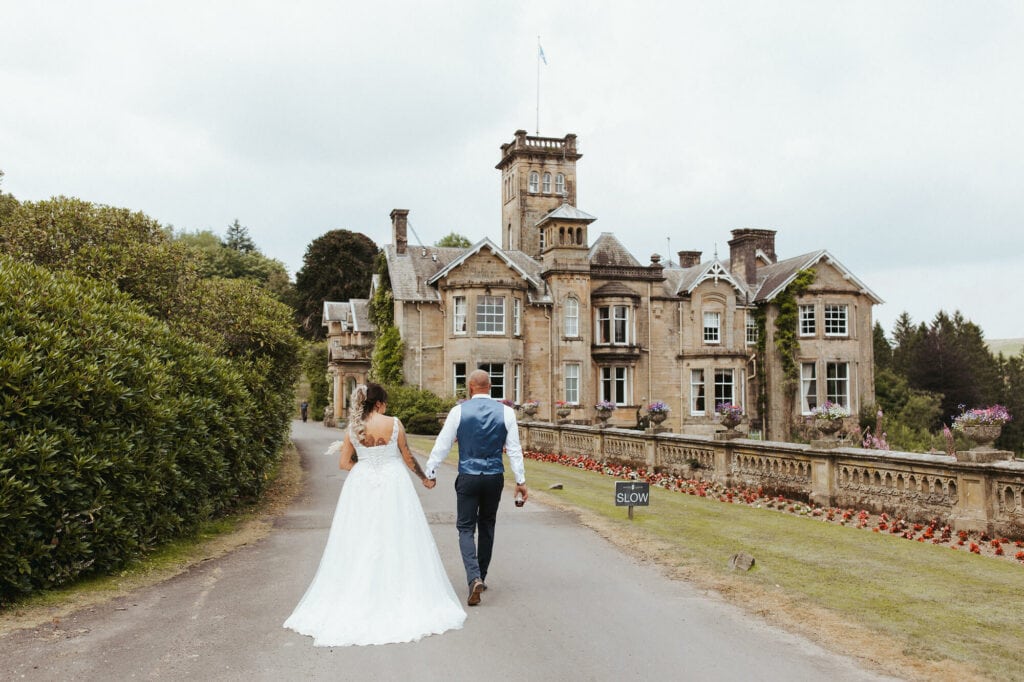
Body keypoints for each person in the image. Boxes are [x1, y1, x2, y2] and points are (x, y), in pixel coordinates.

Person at [283, 383, 466, 646]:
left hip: (361, 484)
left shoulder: (353, 428)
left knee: (359, 535)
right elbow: (407, 457)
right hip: (394, 483)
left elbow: (344, 463)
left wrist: (366, 464)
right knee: (398, 533)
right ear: (379, 403)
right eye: (386, 402)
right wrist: (425, 479)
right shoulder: (394, 424)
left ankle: (355, 588)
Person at [425, 369, 528, 606]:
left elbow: (443, 443)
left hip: (468, 476)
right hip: (494, 476)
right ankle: (481, 574)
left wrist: (431, 471)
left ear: (470, 386)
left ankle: (474, 577)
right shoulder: (506, 412)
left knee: (465, 527)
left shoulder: (458, 411)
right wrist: (520, 481)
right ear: (490, 387)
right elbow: (513, 449)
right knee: (487, 525)